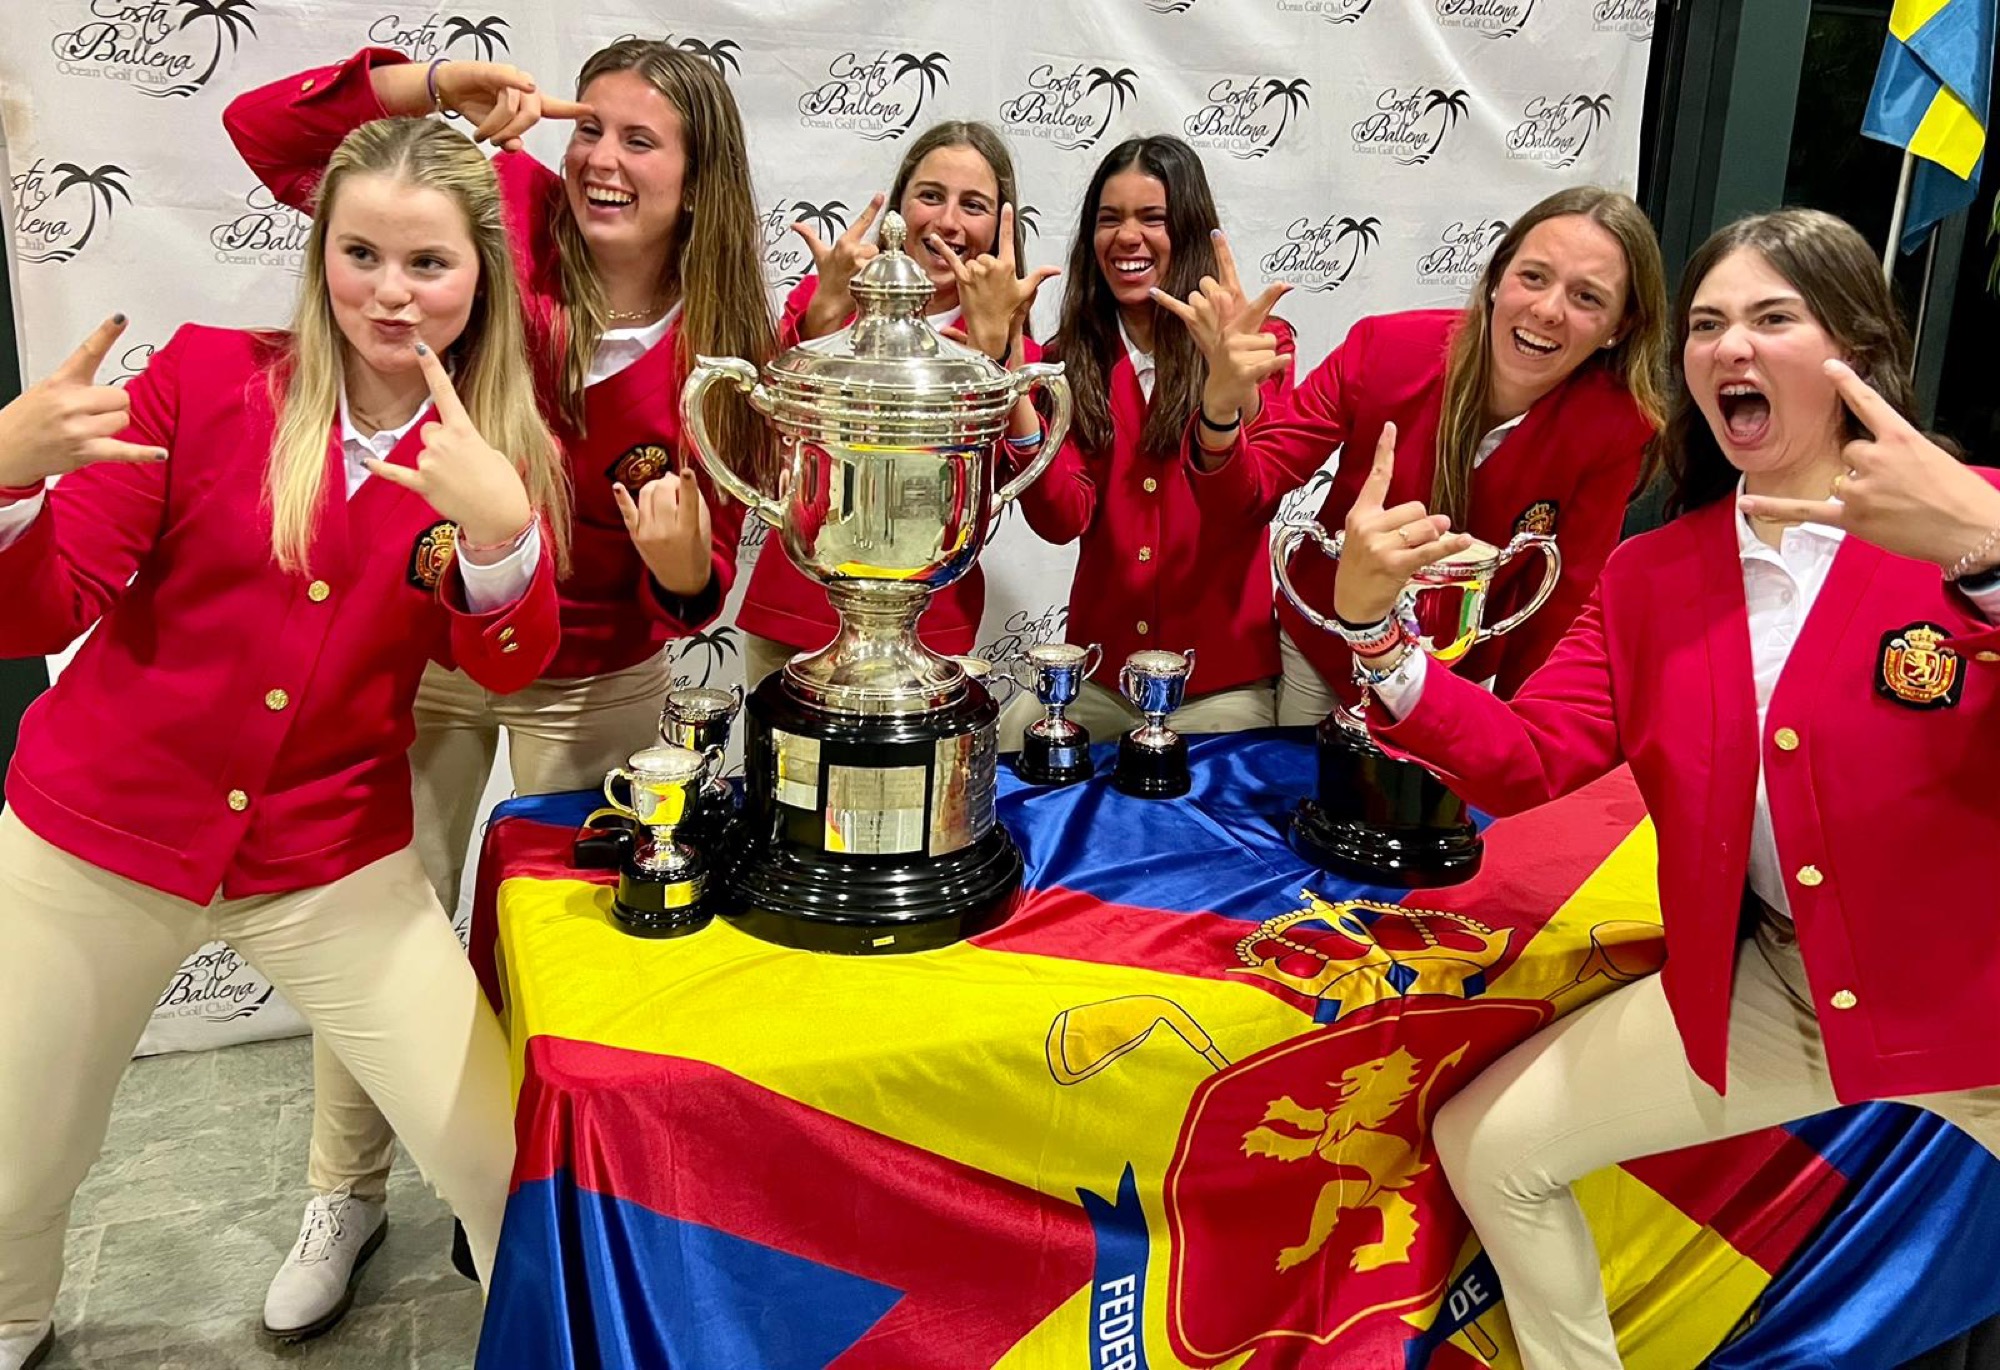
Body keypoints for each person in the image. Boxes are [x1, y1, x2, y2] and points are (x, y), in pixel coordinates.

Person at [1329, 208, 2000, 1370]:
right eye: (1704, 324)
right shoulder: (1653, 577)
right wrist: (1373, 631)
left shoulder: (1969, 513)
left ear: (1852, 346)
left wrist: (1986, 549)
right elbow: (1527, 757)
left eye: (1771, 318)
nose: (1728, 346)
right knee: (1493, 1145)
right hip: (1787, 984)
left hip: (1978, 994)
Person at [223, 40, 776, 1338]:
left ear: (699, 178)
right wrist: (430, 89)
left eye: (641, 140)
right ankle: (344, 1192)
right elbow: (269, 135)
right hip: (425, 645)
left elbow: (698, 591)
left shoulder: (730, 343)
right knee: (376, 922)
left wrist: (683, 568)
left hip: (594, 677)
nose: (601, 159)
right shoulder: (506, 209)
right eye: (591, 127)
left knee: (584, 943)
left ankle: (565, 1191)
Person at [0, 116, 567, 1370]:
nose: (390, 291)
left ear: (481, 273)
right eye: (360, 253)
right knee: (14, 1167)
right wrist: (5, 479)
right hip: (95, 833)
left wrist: (501, 542)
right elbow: (39, 608)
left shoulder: (491, 451)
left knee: (500, 1160)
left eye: (427, 262)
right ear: (320, 256)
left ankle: (549, 1343)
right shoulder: (204, 378)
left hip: (328, 857)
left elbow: (506, 667)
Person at [1189, 185, 1667, 724]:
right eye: (1534, 277)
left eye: (1587, 298)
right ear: (1496, 279)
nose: (1548, 309)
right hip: (1325, 653)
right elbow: (1248, 495)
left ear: (1619, 327)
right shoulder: (1383, 350)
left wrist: (1529, 735)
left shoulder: (1614, 426)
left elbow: (1560, 606)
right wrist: (1221, 410)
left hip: (1450, 681)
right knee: (1297, 776)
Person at [995, 135, 1297, 748]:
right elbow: (1061, 519)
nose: (1127, 236)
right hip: (1098, 681)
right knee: (1007, 748)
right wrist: (1010, 369)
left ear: (1186, 230)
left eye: (1152, 218)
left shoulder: (1263, 342)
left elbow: (1254, 497)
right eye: (1109, 219)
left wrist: (1235, 387)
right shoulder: (1065, 359)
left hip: (1222, 687)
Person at [735, 120, 1054, 690]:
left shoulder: (1013, 348)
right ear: (899, 210)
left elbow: (1052, 509)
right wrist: (821, 316)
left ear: (999, 225)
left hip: (930, 630)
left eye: (973, 205)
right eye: (930, 196)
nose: (948, 221)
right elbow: (758, 435)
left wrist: (997, 358)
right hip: (797, 615)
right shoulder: (828, 300)